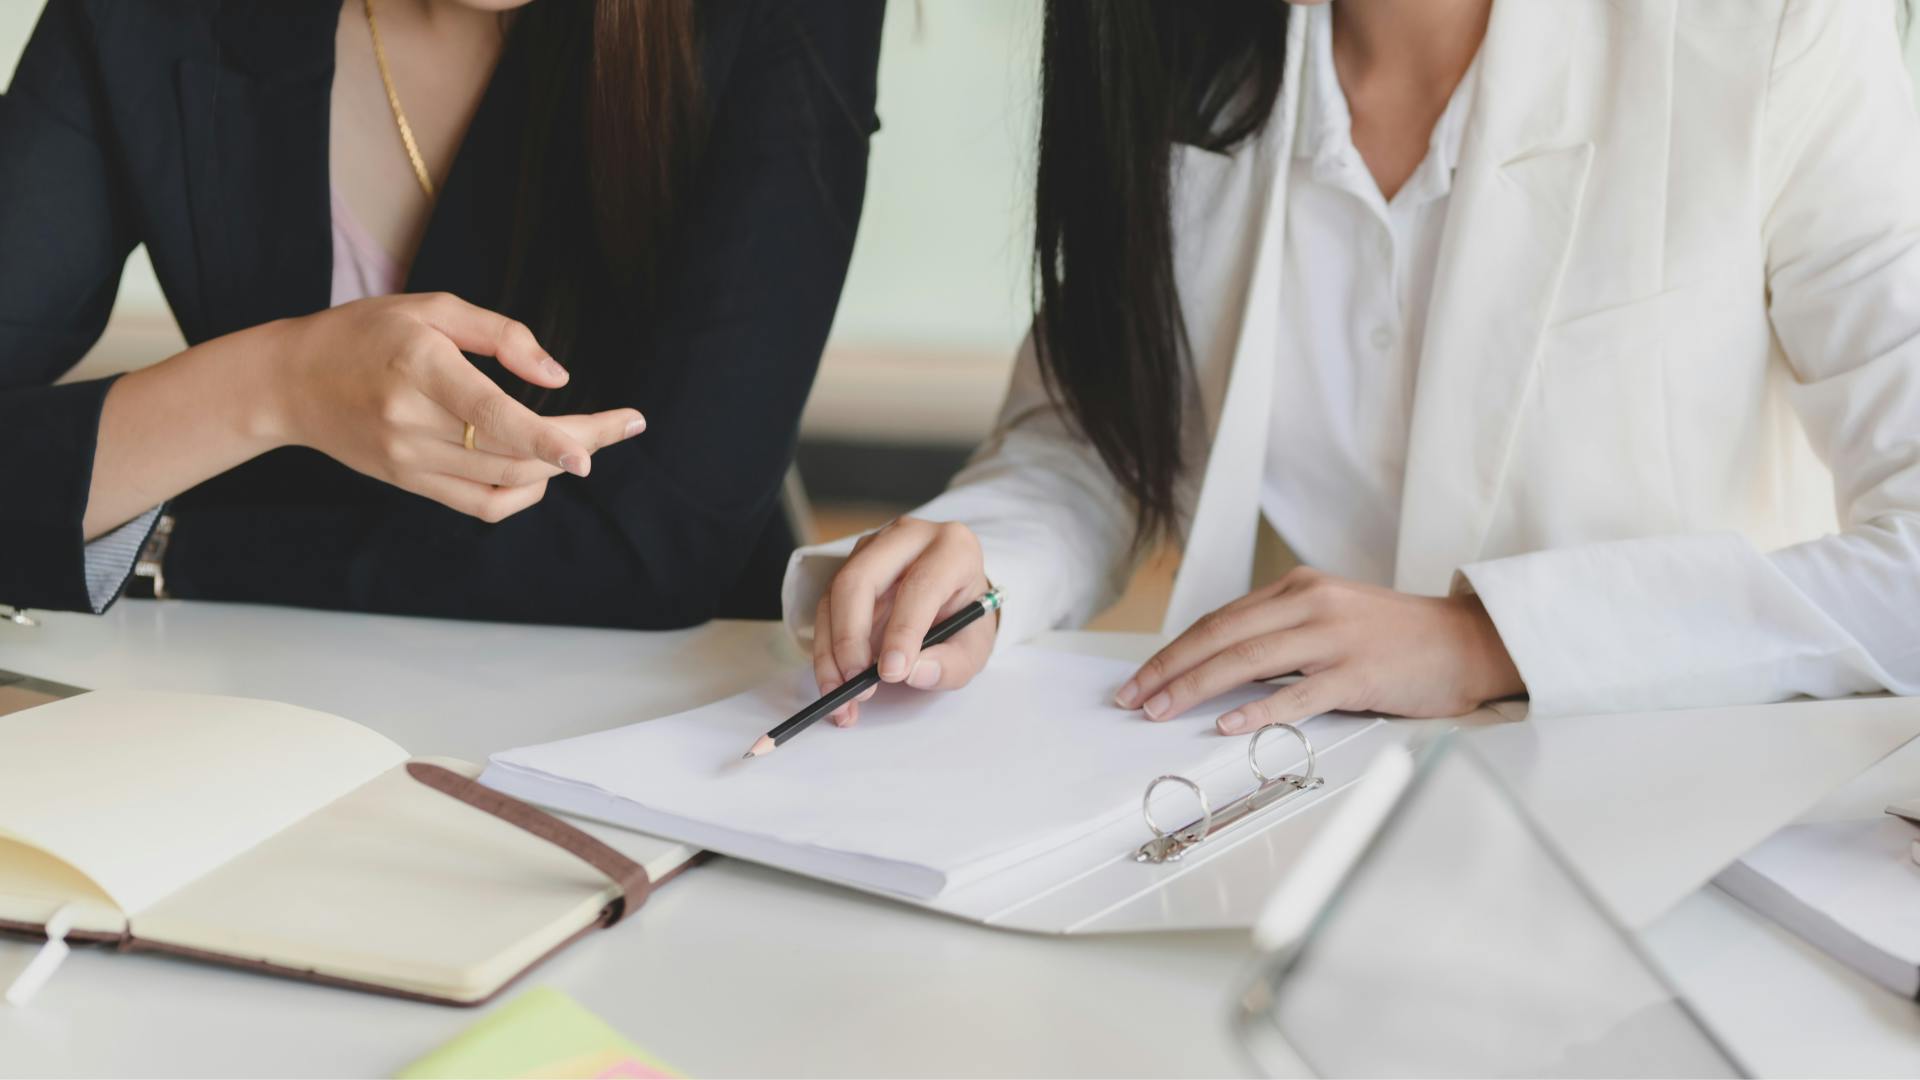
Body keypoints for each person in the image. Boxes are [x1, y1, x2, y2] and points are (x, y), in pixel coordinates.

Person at [792, 0, 1920, 731]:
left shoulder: (1779, 29)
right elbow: (1096, 438)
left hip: (1663, 828)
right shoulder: (1171, 45)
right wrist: (983, 572)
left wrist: (1493, 639)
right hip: (1272, 818)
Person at [0, 0, 883, 627]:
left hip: (651, 725)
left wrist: (164, 548)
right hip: (247, 712)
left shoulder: (781, 17)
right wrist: (274, 383)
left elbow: (659, 549)